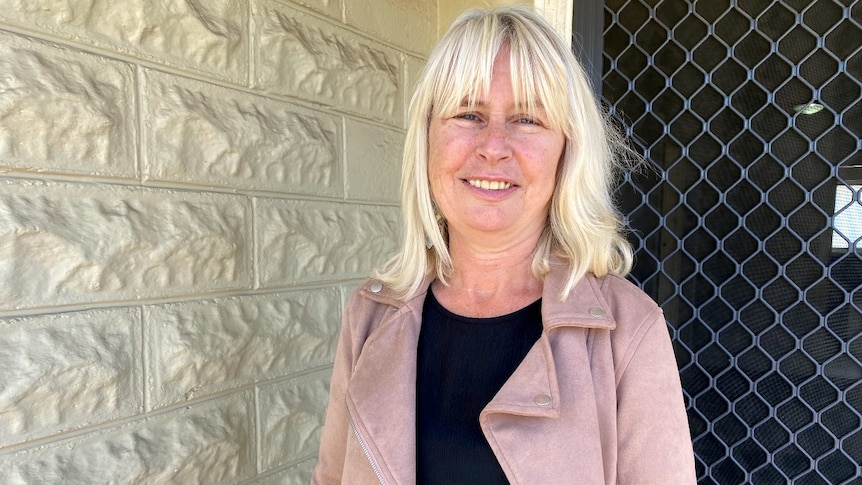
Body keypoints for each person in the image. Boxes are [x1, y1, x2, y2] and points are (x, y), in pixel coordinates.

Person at [311, 5, 696, 484]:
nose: (493, 146)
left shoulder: (628, 332)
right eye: (468, 114)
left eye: (527, 119)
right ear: (428, 139)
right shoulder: (370, 315)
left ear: (566, 151)